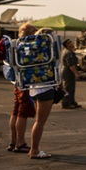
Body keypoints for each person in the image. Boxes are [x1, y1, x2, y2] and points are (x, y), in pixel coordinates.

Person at [27, 26, 56, 159]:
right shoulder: (48, 51)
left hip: (34, 88)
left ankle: (34, 149)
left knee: (38, 121)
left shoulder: (33, 49)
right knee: (40, 122)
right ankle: (34, 150)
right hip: (45, 87)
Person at [60, 39, 81, 108]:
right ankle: (66, 103)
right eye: (71, 43)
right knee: (68, 87)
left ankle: (72, 101)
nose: (72, 44)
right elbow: (71, 64)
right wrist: (76, 73)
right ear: (67, 44)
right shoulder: (69, 53)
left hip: (66, 70)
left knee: (71, 87)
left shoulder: (65, 51)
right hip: (68, 71)